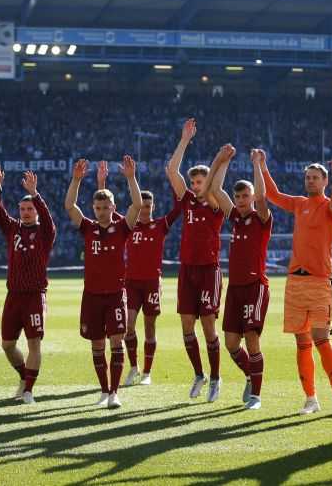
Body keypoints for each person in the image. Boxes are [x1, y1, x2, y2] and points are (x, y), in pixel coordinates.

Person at [260, 152, 332, 417]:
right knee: (302, 344)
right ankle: (310, 399)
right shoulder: (299, 203)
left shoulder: (330, 206)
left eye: (314, 178)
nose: (310, 181)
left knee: (321, 340)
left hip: (320, 281)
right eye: (307, 177)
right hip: (295, 282)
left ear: (323, 181)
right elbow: (273, 195)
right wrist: (262, 165)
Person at [65, 156, 142, 408]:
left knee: (116, 341)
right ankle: (104, 390)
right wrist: (76, 180)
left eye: (106, 207)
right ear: (94, 209)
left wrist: (130, 178)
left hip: (115, 295)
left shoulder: (122, 228)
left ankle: (115, 393)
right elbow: (69, 206)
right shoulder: (87, 227)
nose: (102, 211)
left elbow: (138, 205)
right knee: (97, 344)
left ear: (112, 207)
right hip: (92, 296)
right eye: (98, 208)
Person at [96, 160, 181, 387]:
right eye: (141, 208)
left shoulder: (160, 226)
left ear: (152, 207)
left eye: (148, 208)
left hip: (152, 283)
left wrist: (174, 182)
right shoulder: (128, 225)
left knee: (150, 327)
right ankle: (133, 367)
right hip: (131, 283)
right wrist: (102, 182)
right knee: (129, 326)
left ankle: (147, 372)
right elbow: (107, 214)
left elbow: (179, 209)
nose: (144, 211)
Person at [201, 146, 272, 410]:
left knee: (252, 338)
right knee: (231, 343)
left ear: (251, 197)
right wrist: (224, 161)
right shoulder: (235, 219)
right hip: (235, 287)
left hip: (255, 286)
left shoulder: (261, 218)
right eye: (238, 196)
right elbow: (215, 191)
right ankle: (250, 376)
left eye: (245, 196)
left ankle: (256, 396)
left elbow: (264, 197)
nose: (241, 200)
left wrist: (256, 164)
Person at [166, 118, 226, 402]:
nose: (195, 185)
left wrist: (217, 165)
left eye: (199, 181)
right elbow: (171, 170)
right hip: (187, 269)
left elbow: (214, 186)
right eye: (193, 182)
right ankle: (199, 374)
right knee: (187, 326)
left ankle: (216, 378)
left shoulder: (215, 205)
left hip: (208, 271)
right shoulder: (188, 200)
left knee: (208, 326)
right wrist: (184, 140)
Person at [0, 166, 56, 404]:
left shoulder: (46, 232)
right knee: (7, 345)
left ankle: (28, 390)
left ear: (37, 211)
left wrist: (35, 194)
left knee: (34, 344)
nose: (26, 212)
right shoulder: (13, 229)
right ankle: (24, 377)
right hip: (14, 296)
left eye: (30, 209)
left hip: (35, 296)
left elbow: (48, 218)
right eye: (23, 209)